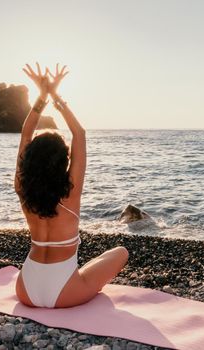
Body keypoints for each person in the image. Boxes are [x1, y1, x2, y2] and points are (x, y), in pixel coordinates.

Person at [14, 63, 129, 308]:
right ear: (62, 162)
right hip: (64, 292)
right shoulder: (70, 192)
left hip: (25, 289)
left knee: (94, 264)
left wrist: (42, 95)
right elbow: (80, 134)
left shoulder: (23, 188)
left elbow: (25, 134)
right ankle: (78, 278)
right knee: (121, 252)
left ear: (31, 160)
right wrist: (56, 96)